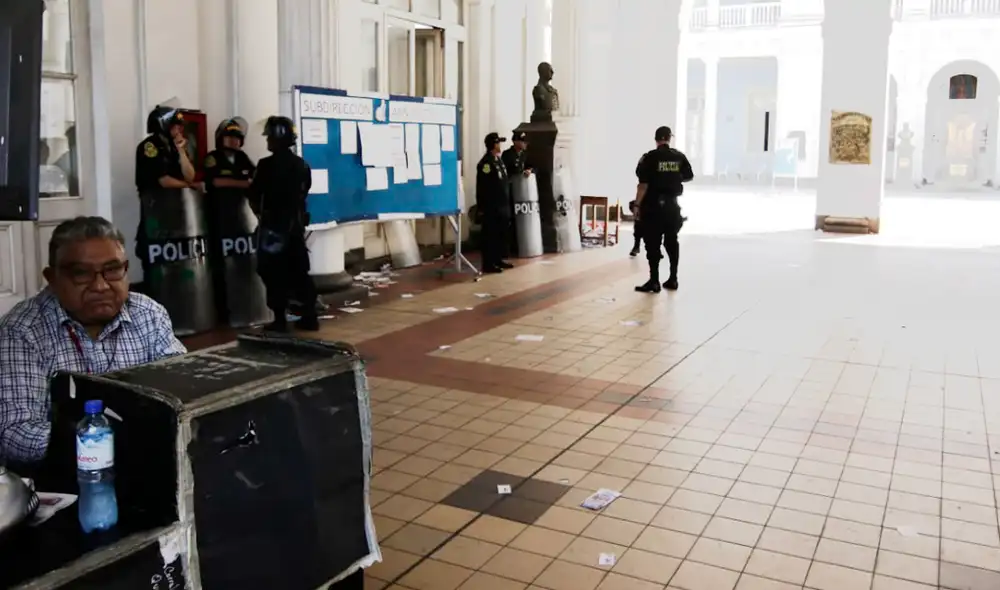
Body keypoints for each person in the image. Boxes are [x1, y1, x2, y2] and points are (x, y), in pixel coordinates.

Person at [0, 216, 186, 463]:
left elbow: (181, 390)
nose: (100, 286)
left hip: (144, 462)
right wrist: (102, 441)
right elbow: (15, 433)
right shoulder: (23, 331)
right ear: (52, 278)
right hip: (62, 475)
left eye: (112, 270)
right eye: (81, 274)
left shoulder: (148, 314)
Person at [249, 115, 319, 332]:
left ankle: (280, 318)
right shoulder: (302, 165)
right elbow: (304, 191)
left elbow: (254, 195)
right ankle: (310, 315)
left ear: (277, 138)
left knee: (272, 272)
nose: (267, 140)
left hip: (273, 228)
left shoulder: (265, 165)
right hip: (295, 228)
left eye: (269, 136)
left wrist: (262, 215)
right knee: (300, 272)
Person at [204, 118, 257, 322]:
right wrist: (242, 183)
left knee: (242, 264)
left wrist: (239, 183)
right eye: (229, 137)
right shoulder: (213, 158)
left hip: (241, 220)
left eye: (237, 138)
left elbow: (255, 179)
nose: (233, 142)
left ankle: (243, 305)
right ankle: (222, 312)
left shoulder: (243, 157)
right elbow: (216, 181)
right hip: (218, 218)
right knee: (220, 265)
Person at [134, 106, 197, 275]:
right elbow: (164, 181)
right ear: (163, 124)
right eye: (176, 125)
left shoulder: (175, 147)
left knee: (179, 268)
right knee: (157, 269)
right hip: (156, 216)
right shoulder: (150, 146)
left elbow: (190, 176)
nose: (180, 129)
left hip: (177, 217)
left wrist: (182, 151)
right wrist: (188, 185)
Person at [634, 126, 693, 293]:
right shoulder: (679, 157)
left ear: (656, 139)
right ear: (669, 138)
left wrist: (637, 205)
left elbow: (643, 184)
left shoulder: (649, 158)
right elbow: (689, 176)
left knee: (653, 244)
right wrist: (673, 177)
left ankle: (654, 281)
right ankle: (673, 279)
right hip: (672, 206)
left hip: (653, 206)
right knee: (672, 242)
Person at [475, 132, 514, 274]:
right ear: (493, 145)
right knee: (490, 236)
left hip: (502, 205)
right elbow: (482, 186)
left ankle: (498, 259)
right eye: (498, 143)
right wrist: (482, 207)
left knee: (500, 234)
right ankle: (488, 263)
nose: (500, 146)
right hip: (492, 207)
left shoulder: (498, 161)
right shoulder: (486, 164)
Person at [501, 130, 533, 257]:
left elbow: (531, 166)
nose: (525, 144)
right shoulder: (507, 155)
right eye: (522, 141)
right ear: (515, 142)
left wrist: (529, 170)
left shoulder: (525, 155)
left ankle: (519, 246)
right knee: (510, 221)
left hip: (522, 193)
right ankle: (509, 248)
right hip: (511, 191)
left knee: (520, 220)